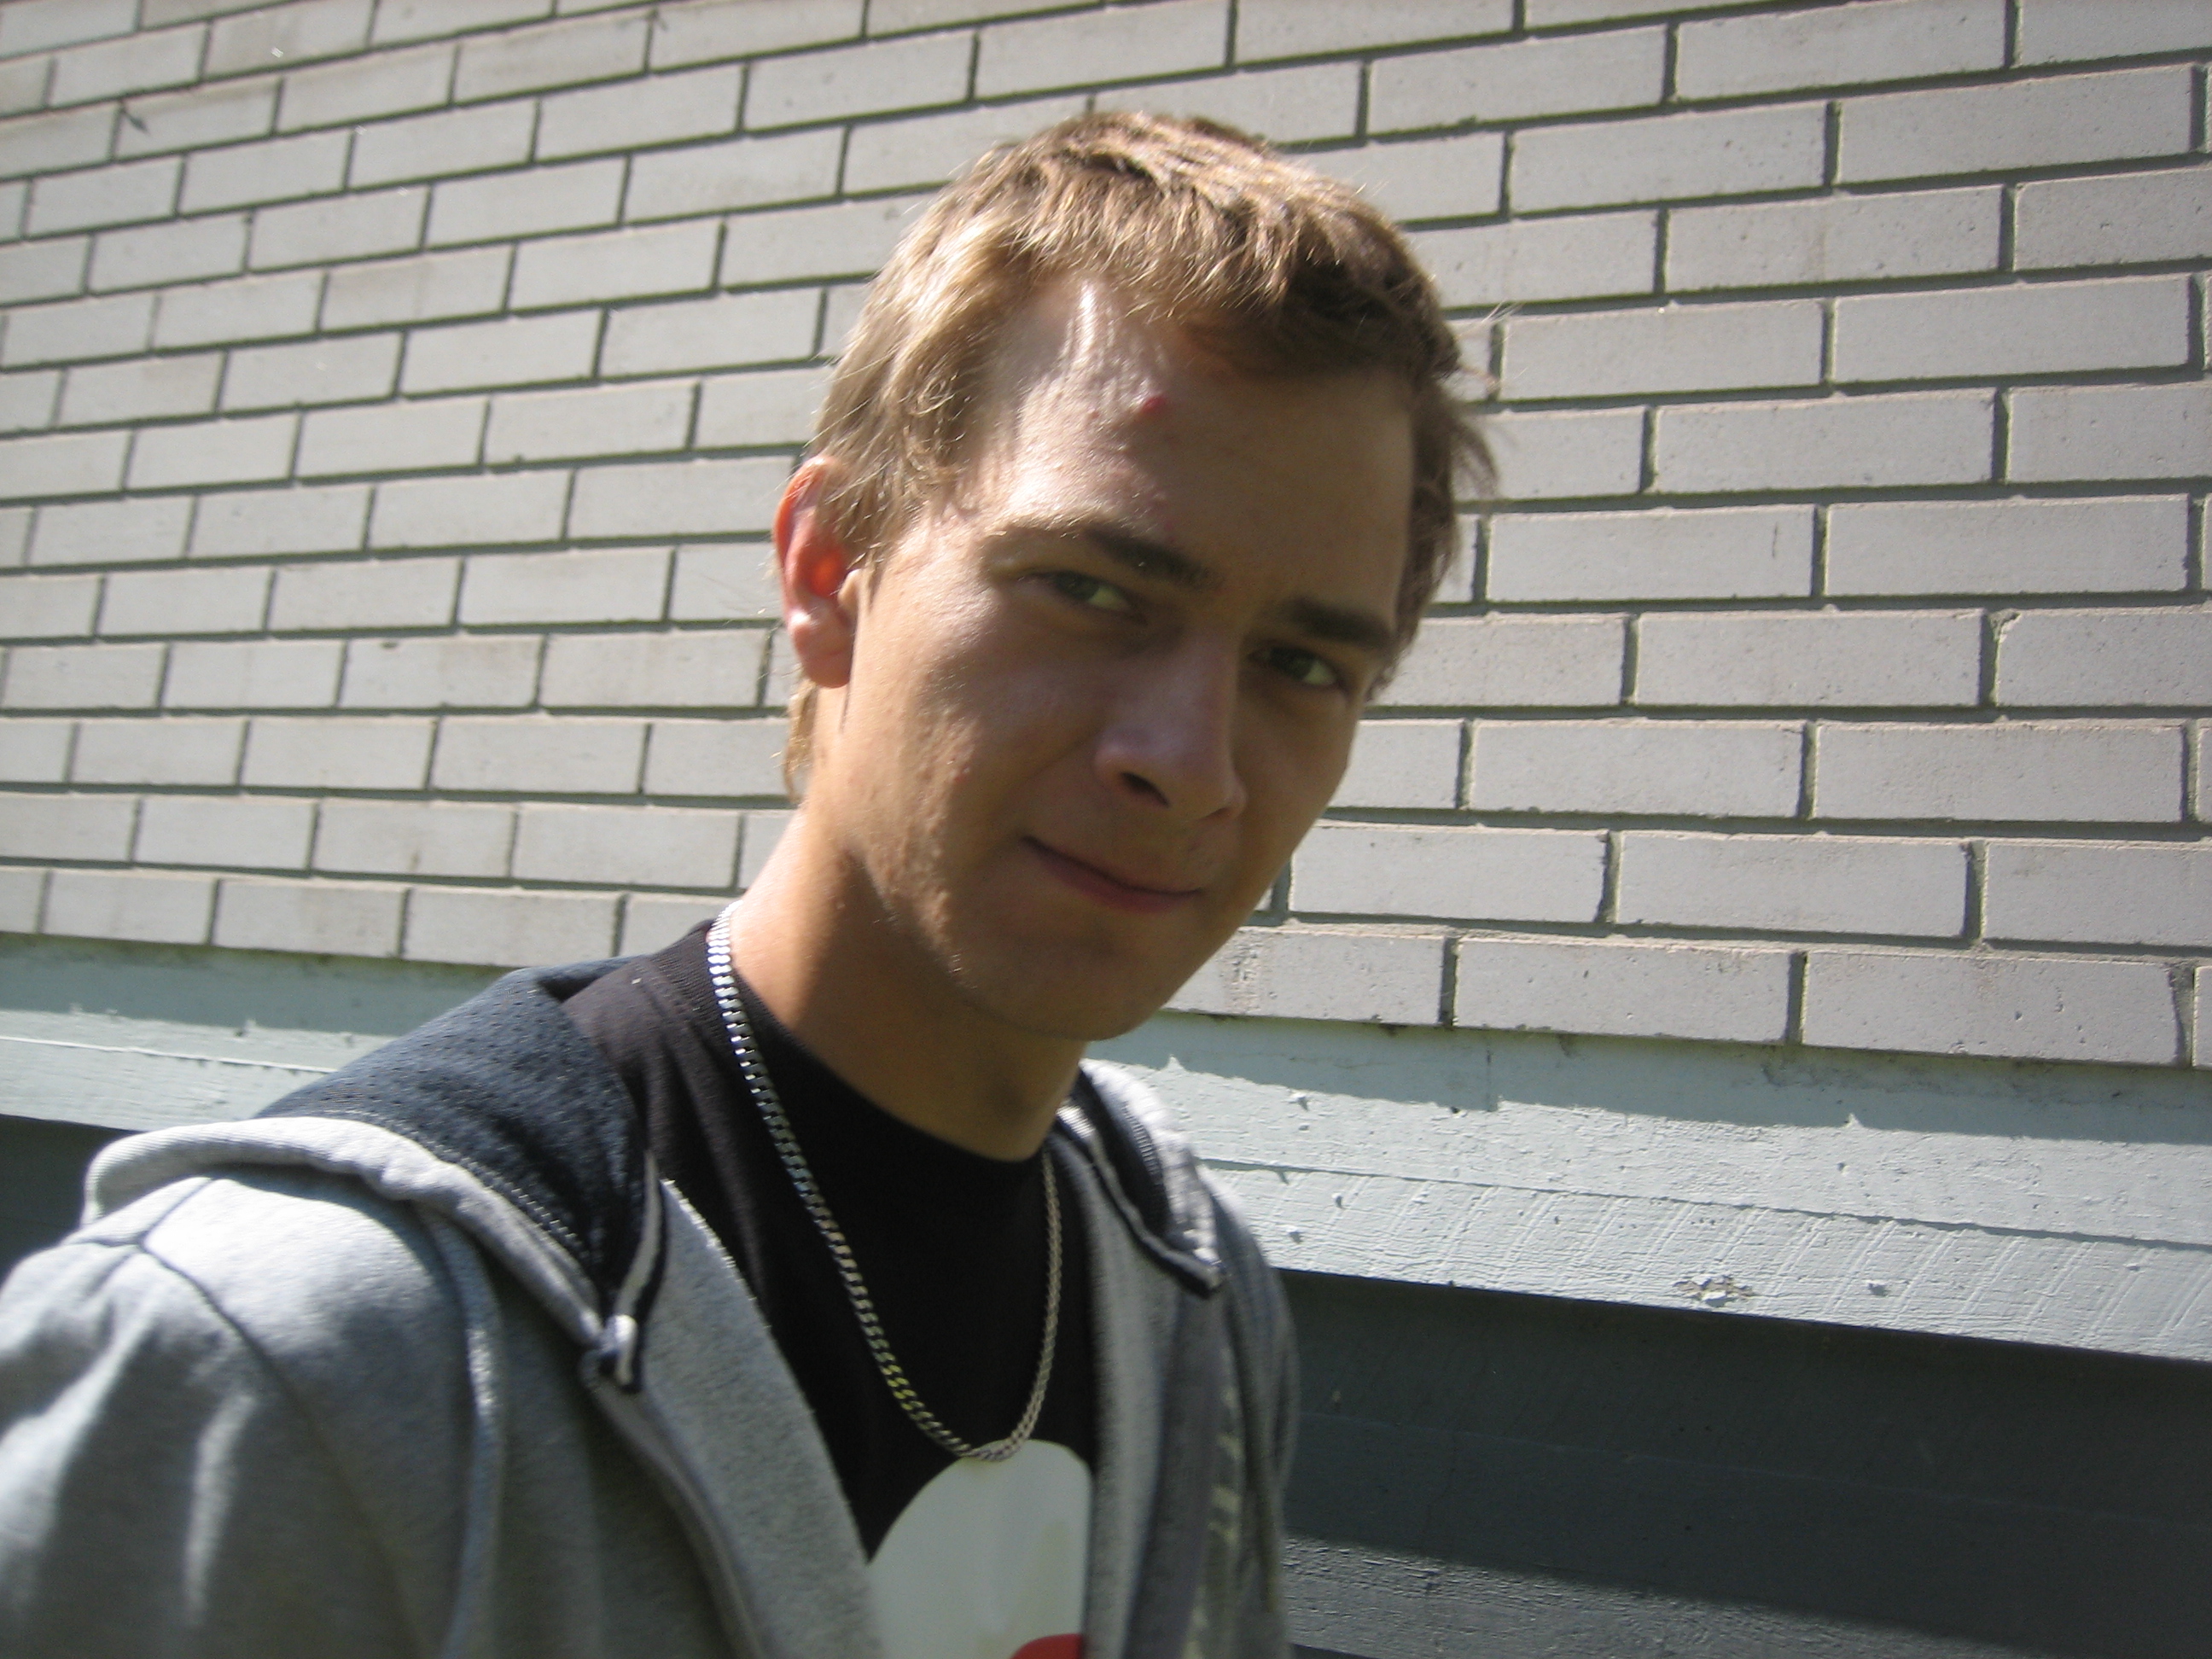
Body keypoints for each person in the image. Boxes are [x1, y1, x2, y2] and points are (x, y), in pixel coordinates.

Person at [0, 112, 1486, 1658]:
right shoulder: (295, 1356)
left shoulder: (1198, 1300)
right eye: (1092, 588)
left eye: (1303, 664)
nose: (1191, 763)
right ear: (828, 569)